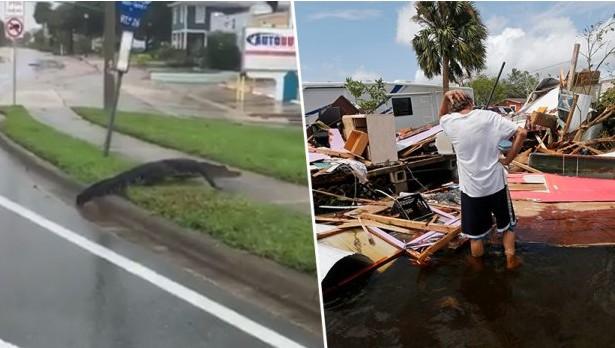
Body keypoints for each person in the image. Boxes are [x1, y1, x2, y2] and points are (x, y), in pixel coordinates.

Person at [439, 90, 527, 269]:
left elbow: (441, 116)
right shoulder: (489, 117)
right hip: (496, 185)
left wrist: (446, 96)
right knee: (507, 227)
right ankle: (510, 260)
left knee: (475, 236)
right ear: (471, 103)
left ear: (453, 108)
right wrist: (509, 159)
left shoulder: (450, 122)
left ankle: (478, 269)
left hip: (471, 190)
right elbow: (522, 133)